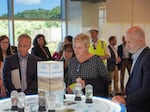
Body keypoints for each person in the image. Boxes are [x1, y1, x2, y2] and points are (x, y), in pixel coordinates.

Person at [112, 26, 150, 112]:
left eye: (129, 42)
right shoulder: (139, 55)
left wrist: (126, 100)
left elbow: (147, 90)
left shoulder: (148, 58)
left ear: (140, 40)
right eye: (126, 42)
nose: (127, 46)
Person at [67, 33, 109, 97]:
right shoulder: (72, 61)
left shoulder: (96, 60)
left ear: (87, 47)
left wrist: (87, 83)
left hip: (94, 98)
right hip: (76, 99)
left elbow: (106, 80)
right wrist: (69, 88)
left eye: (79, 48)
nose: (76, 51)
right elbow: (69, 80)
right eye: (74, 47)